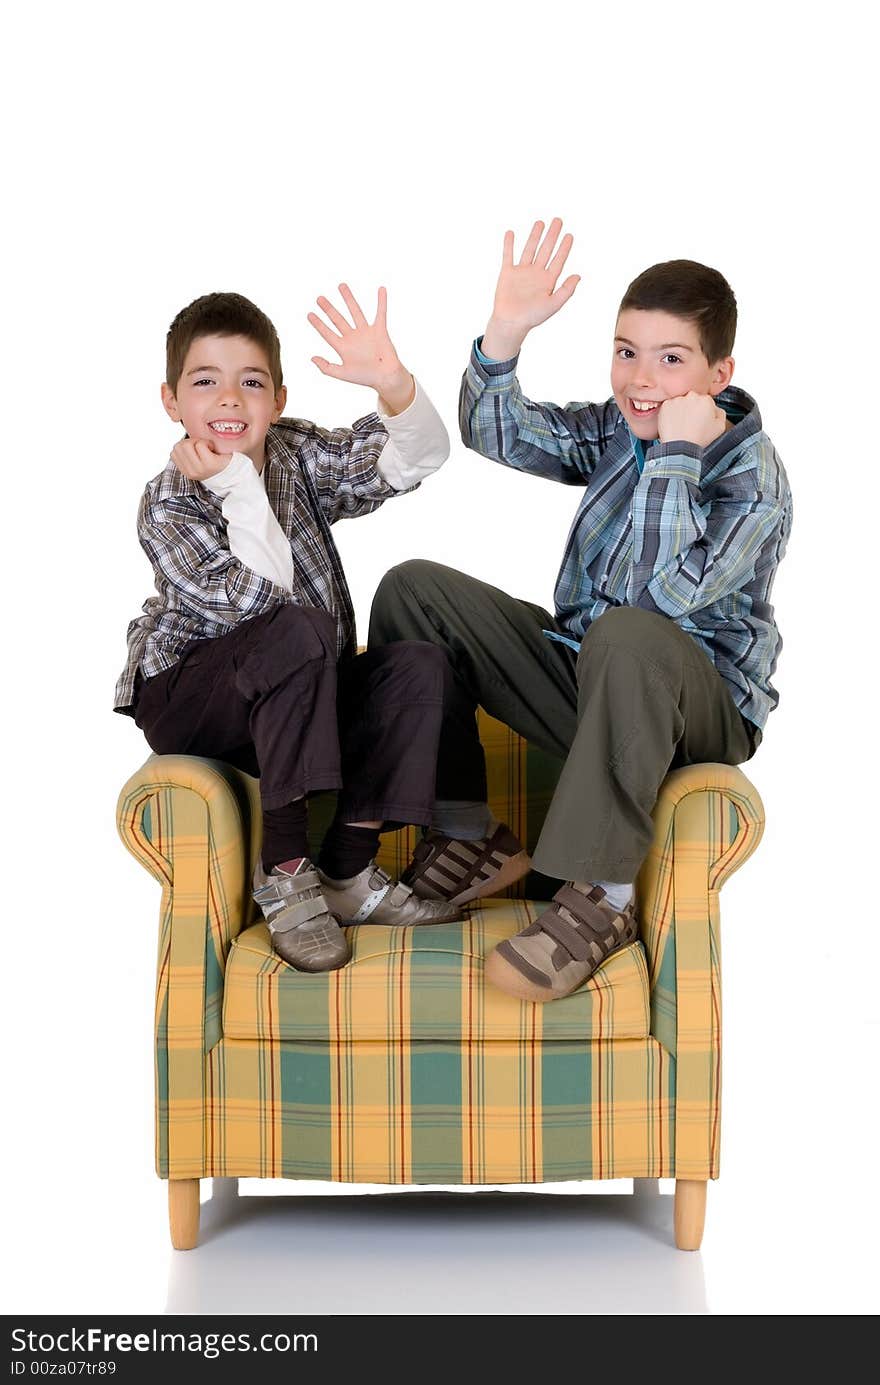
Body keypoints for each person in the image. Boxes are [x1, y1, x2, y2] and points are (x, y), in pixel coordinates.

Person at [369, 218, 793, 1002]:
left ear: (719, 370)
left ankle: (604, 895)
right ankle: (467, 832)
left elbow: (655, 598)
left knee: (630, 631)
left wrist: (675, 456)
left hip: (695, 710)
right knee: (413, 589)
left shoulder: (752, 480)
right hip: (595, 671)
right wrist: (505, 332)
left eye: (671, 360)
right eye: (627, 351)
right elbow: (497, 432)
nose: (639, 378)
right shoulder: (617, 427)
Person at [115, 286, 464, 975]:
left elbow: (414, 459)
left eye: (250, 383)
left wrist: (393, 384)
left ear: (276, 398)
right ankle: (286, 869)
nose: (229, 401)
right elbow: (260, 604)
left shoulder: (292, 452)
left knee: (418, 666)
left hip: (293, 687)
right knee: (297, 627)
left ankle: (347, 872)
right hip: (191, 697)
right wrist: (238, 487)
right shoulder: (167, 502)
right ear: (171, 400)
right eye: (205, 382)